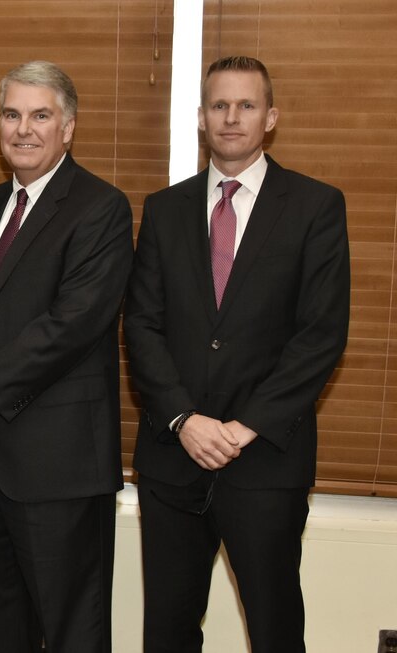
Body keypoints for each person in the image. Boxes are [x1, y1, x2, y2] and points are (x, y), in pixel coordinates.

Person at [123, 55, 350, 653]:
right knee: (167, 631)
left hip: (266, 461)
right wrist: (183, 419)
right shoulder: (164, 209)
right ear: (200, 119)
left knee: (275, 628)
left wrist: (245, 427)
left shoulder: (314, 206)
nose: (231, 118)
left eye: (246, 105)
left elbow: (320, 335)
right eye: (219, 106)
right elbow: (142, 326)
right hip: (174, 457)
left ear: (270, 117)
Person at [0, 61, 133, 652]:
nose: (23, 129)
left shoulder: (100, 208)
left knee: (72, 631)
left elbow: (73, 323)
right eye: (12, 114)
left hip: (59, 464)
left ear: (67, 128)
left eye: (40, 115)